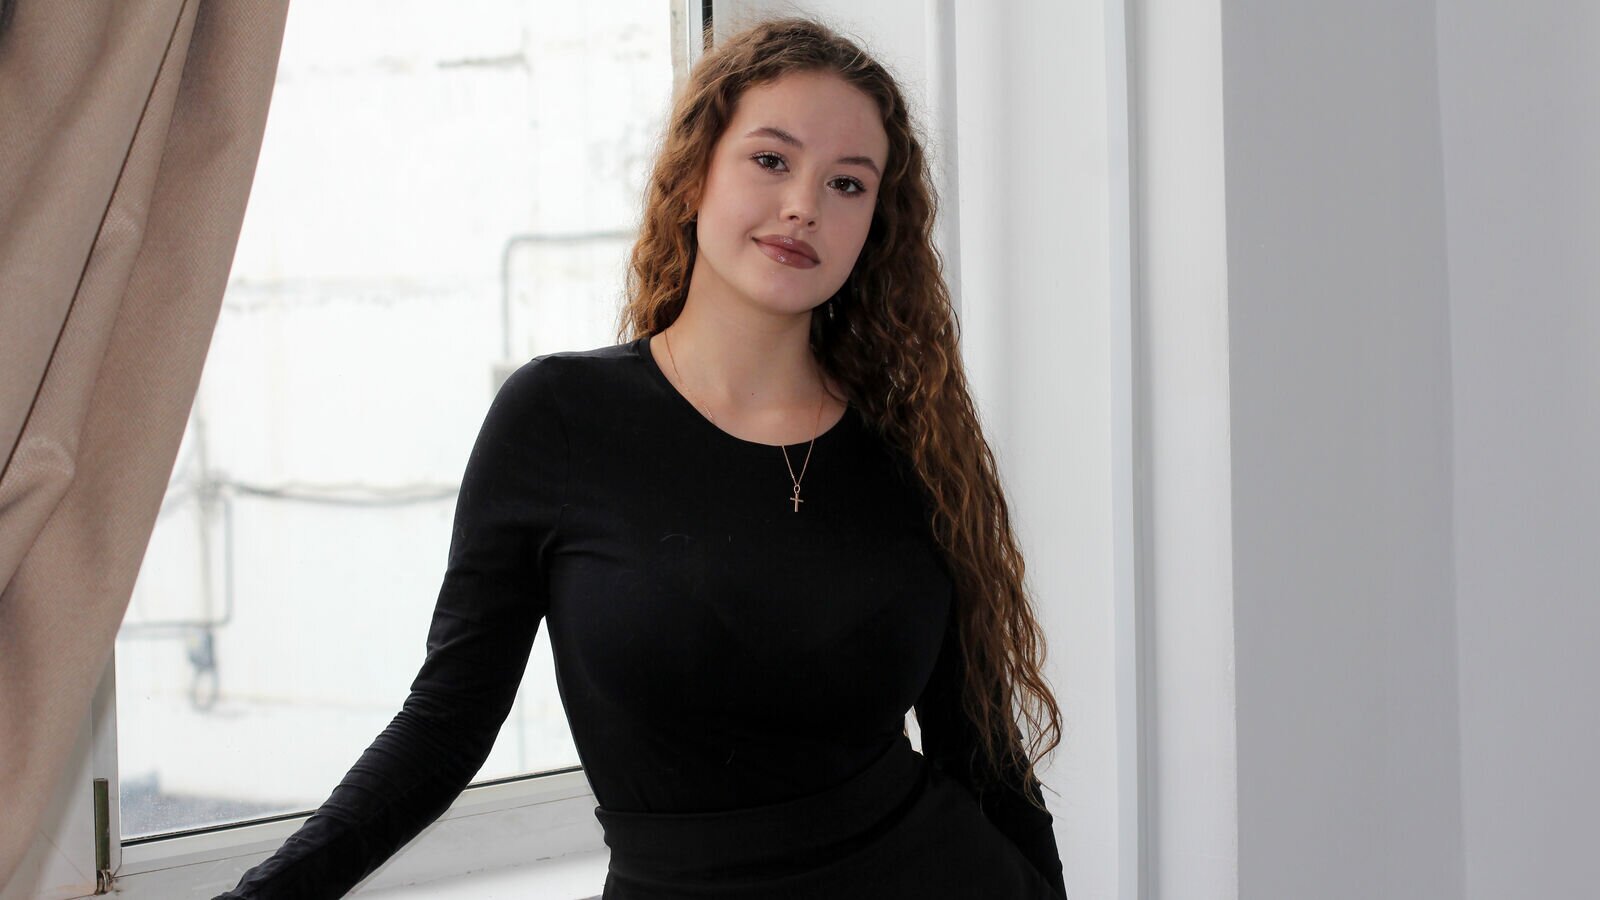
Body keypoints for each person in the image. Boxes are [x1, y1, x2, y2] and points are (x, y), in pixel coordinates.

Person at [216, 16, 1067, 900]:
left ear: (874, 227)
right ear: (695, 176)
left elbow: (984, 759)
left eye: (847, 183)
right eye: (770, 160)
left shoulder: (917, 446)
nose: (804, 205)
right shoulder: (560, 419)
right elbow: (444, 727)